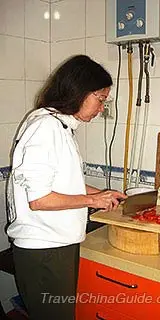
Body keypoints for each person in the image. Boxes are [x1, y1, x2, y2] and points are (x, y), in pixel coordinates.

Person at [6, 54, 127, 320]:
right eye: (101, 99)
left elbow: (62, 183)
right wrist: (94, 202)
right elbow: (39, 199)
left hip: (56, 244)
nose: (101, 109)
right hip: (44, 250)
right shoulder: (45, 127)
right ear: (80, 91)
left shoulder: (59, 126)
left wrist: (101, 194)